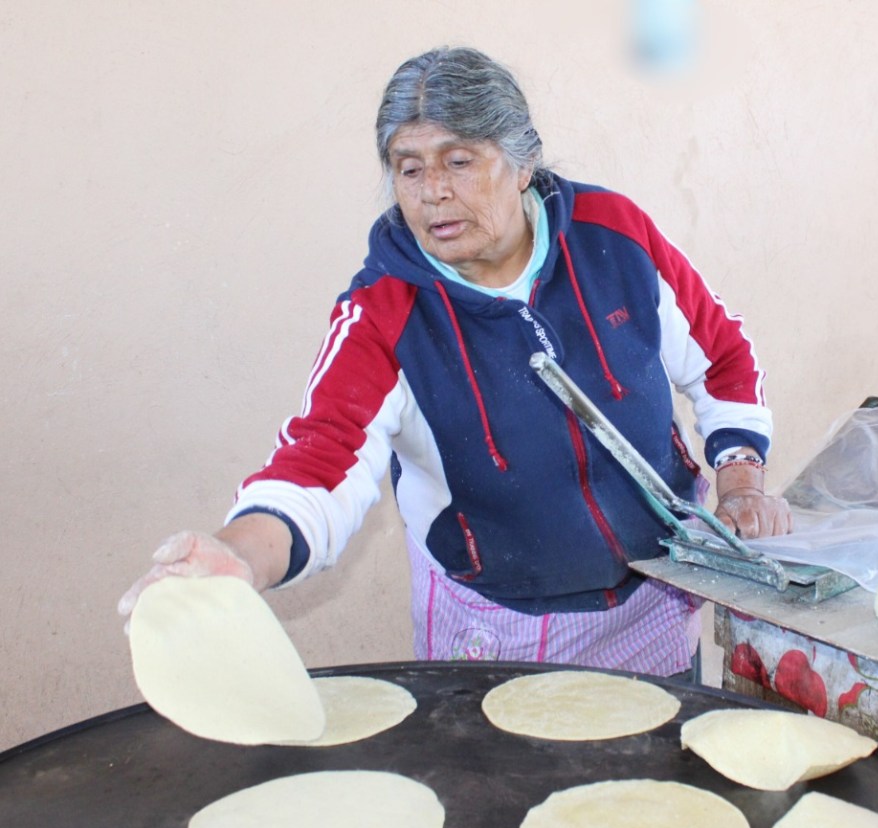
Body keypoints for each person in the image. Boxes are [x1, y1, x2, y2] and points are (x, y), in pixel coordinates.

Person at [119, 46, 791, 678]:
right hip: (499, 630)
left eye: (459, 161)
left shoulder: (612, 236)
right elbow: (318, 465)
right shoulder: (384, 313)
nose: (432, 192)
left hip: (655, 605)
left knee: (660, 796)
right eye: (409, 168)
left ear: (523, 162)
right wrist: (238, 557)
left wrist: (739, 479)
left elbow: (721, 356)